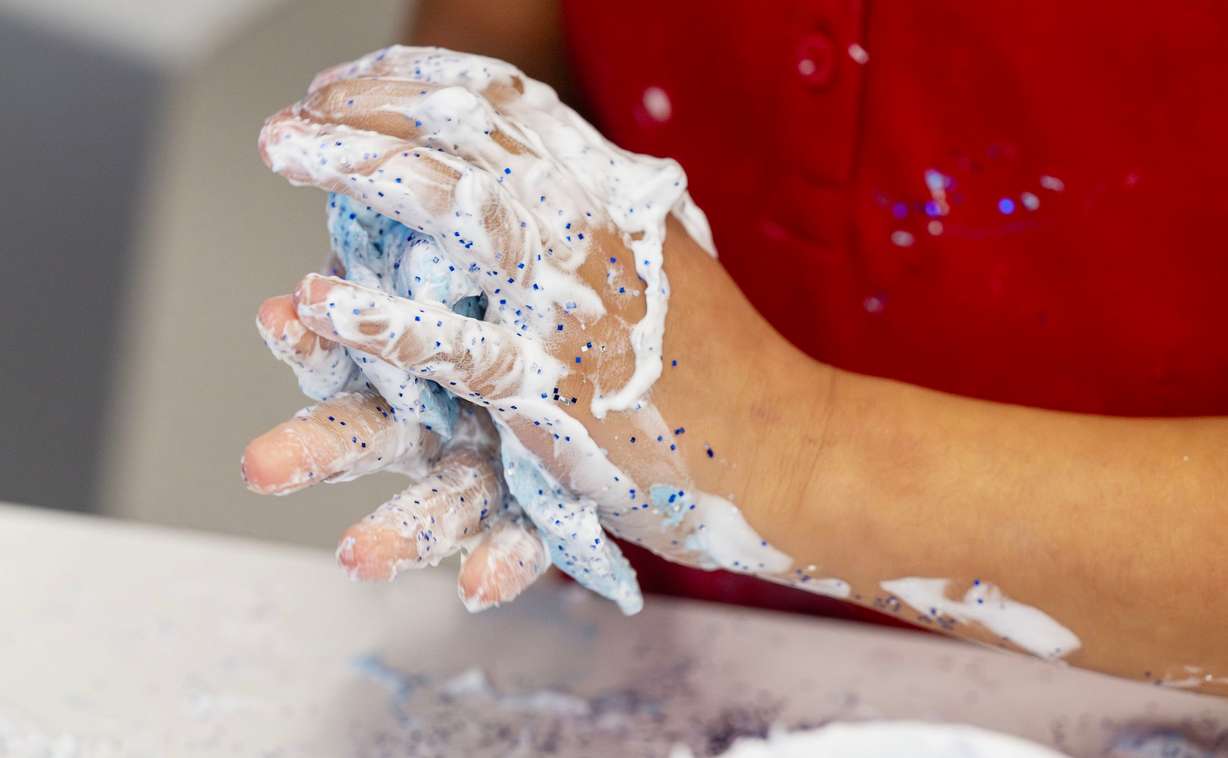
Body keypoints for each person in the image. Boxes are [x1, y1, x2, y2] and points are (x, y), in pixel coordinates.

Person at [242, 1, 1228, 693]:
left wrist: (781, 454)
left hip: (1141, 671)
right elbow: (497, 41)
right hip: (643, 629)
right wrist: (460, 269)